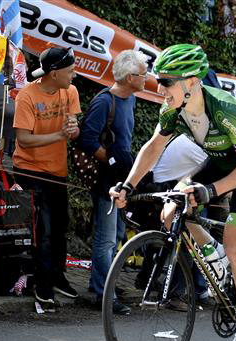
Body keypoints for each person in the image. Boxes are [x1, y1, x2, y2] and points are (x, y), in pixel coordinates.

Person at [110, 44, 236, 341]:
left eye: (167, 81)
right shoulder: (173, 108)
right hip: (218, 161)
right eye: (159, 81)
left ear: (192, 82)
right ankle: (216, 259)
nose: (161, 88)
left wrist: (210, 191)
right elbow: (154, 147)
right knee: (170, 212)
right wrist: (128, 185)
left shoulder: (224, 109)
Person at [79, 49, 148, 314]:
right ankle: (102, 293)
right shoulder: (104, 101)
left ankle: (104, 283)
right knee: (106, 237)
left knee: (118, 233)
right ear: (130, 77)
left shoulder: (129, 99)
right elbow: (87, 139)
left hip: (123, 176)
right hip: (107, 179)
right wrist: (109, 160)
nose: (146, 79)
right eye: (142, 75)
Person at [12, 46, 81, 305]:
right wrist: (59, 135)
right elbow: (24, 139)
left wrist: (73, 129)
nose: (74, 75)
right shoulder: (27, 96)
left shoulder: (70, 91)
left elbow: (72, 128)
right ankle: (42, 285)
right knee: (44, 228)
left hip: (57, 170)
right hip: (29, 170)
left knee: (61, 226)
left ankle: (57, 276)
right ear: (53, 73)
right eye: (70, 71)